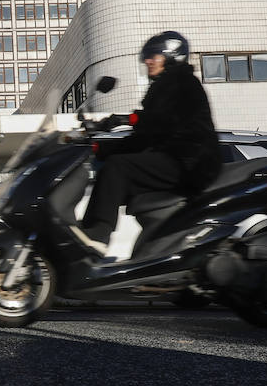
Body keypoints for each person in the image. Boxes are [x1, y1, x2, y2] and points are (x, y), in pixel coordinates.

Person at [77, 31, 222, 251]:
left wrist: (107, 142)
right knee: (119, 170)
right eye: (147, 56)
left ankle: (98, 233)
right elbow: (150, 127)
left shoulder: (179, 83)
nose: (148, 60)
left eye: (153, 55)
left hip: (189, 162)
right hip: (179, 158)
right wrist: (111, 134)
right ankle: (136, 246)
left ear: (172, 56)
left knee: (117, 168)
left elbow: (151, 129)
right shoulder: (168, 84)